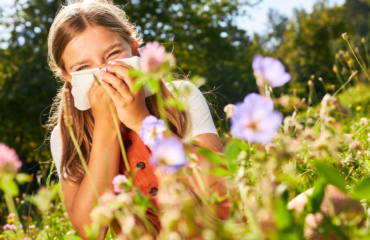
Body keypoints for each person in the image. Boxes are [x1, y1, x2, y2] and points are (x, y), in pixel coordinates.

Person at [47, 0, 228, 238]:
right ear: (68, 77)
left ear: (133, 48)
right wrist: (106, 129)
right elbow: (90, 230)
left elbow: (219, 190)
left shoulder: (181, 97)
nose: (103, 73)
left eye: (112, 54)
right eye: (83, 67)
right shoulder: (65, 135)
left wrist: (141, 120)